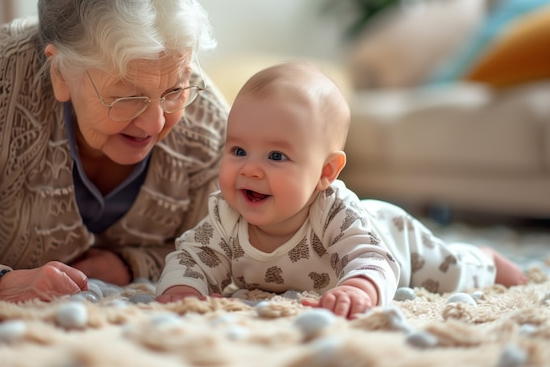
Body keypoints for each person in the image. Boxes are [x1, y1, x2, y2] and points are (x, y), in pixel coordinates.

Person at [0, 0, 228, 303]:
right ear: (60, 73)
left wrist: (133, 264)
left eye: (174, 90)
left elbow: (238, 250)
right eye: (128, 96)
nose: (156, 122)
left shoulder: (204, 120)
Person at [154, 62, 527, 318]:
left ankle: (486, 259)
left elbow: (374, 259)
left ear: (325, 172)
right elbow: (192, 256)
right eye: (238, 150)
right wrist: (183, 289)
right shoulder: (225, 214)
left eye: (276, 156)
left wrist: (359, 290)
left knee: (447, 274)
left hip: (394, 238)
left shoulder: (334, 211)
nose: (250, 169)